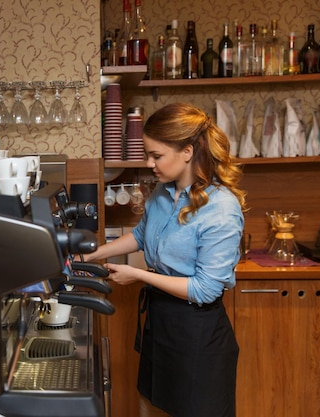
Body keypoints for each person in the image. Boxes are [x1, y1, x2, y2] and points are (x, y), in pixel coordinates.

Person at [85, 102, 246, 417]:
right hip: (159, 326)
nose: (149, 163)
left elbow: (205, 289)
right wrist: (94, 252)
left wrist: (139, 275)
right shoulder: (162, 192)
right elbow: (142, 235)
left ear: (187, 151)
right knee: (153, 407)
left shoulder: (222, 209)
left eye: (156, 156)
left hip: (198, 334)